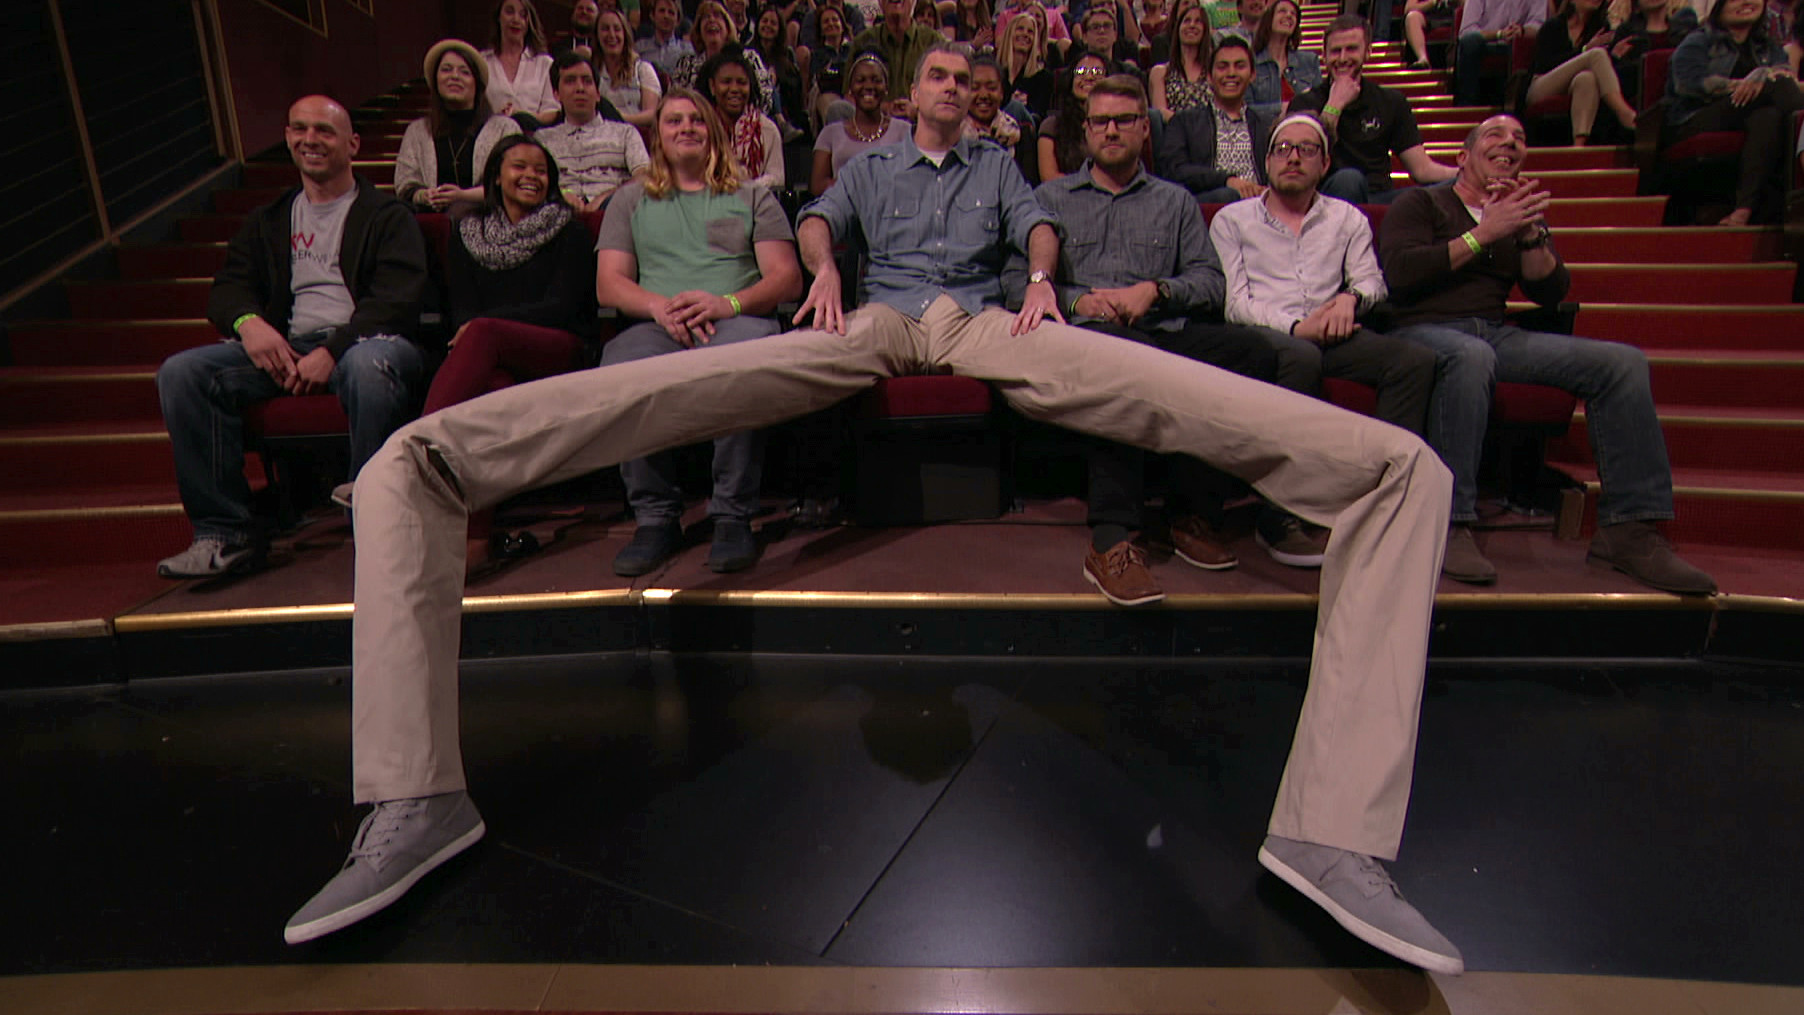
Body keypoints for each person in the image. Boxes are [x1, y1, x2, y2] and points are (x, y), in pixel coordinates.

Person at [284, 43, 1463, 979]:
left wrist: (1041, 278)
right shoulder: (869, 169)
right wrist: (822, 264)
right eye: (936, 75)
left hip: (993, 324)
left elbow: (1037, 225)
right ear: (909, 94)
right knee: (404, 463)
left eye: (963, 75)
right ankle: (414, 797)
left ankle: (1331, 833)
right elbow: (816, 221)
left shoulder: (1000, 165)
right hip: (870, 322)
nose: (952, 86)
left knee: (1402, 469)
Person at [1378, 114, 1716, 591]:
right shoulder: (1422, 202)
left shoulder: (1516, 215)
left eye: (1519, 138)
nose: (1509, 143)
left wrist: (1529, 234)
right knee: (1471, 356)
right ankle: (1451, 521)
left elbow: (1550, 290)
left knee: (1622, 363)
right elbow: (1401, 272)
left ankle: (1629, 531)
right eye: (1495, 135)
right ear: (1463, 157)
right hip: (1420, 330)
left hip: (1495, 332)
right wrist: (1485, 232)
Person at [155, 96, 427, 578]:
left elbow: (396, 300)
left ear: (353, 144)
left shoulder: (386, 215)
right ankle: (224, 534)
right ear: (286, 138)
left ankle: (373, 518)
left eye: (324, 130)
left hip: (369, 342)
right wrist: (249, 324)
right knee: (183, 373)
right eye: (299, 129)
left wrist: (333, 349)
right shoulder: (269, 220)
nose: (309, 140)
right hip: (289, 347)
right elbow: (228, 290)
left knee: (368, 366)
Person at [1036, 74, 1282, 603]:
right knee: (1124, 361)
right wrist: (1079, 301)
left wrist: (1156, 290)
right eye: (1101, 121)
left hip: (1161, 330)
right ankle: (1112, 538)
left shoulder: (1175, 201)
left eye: (1124, 120)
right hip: (1085, 340)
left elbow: (1210, 282)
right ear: (1086, 130)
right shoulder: (1050, 199)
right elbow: (1019, 280)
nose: (1111, 130)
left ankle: (1190, 514)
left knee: (1254, 353)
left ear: (1144, 129)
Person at [594, 89, 805, 576]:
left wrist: (726, 303)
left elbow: (786, 278)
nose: (686, 128)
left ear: (713, 132)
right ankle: (655, 518)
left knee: (742, 363)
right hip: (657, 324)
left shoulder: (752, 195)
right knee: (620, 367)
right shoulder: (630, 199)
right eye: (674, 121)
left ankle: (732, 515)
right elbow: (610, 283)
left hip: (737, 320)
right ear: (658, 136)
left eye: (696, 120)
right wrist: (659, 307)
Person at [1211, 113, 1436, 567]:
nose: (1293, 158)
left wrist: (1351, 299)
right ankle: (1278, 516)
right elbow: (1235, 304)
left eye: (1307, 149)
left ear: (1326, 163)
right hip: (1267, 336)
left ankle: (1378, 504)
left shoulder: (1346, 217)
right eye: (1282, 149)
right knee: (1300, 357)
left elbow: (1372, 281)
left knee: (1414, 360)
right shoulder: (1232, 220)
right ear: (1267, 161)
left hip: (1333, 332)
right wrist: (1297, 328)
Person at [420, 135, 599, 560]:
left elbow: (562, 307)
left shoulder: (569, 230)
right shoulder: (467, 234)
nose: (531, 176)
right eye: (519, 167)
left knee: (483, 333)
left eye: (541, 170)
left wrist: (492, 326)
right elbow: (462, 310)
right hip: (491, 358)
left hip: (559, 349)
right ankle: (475, 541)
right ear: (496, 177)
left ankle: (417, 451)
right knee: (490, 396)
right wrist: (485, 329)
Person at [1289, 15, 1457, 204]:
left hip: (1379, 198)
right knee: (1349, 179)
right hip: (1327, 199)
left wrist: (1463, 175)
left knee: (1443, 192)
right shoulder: (1304, 103)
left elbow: (1422, 170)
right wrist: (1334, 105)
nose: (1342, 58)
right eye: (1336, 51)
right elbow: (1304, 162)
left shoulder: (1391, 101)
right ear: (1324, 55)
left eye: (1351, 49)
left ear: (1368, 52)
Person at [1665, 0, 1802, 225]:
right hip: (1698, 117)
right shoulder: (1699, 40)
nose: (1747, 2)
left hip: (1748, 118)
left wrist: (1761, 78)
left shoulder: (1767, 45)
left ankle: (1743, 210)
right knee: (1777, 84)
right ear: (1717, 7)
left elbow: (1785, 73)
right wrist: (1743, 85)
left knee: (1767, 117)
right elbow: (1688, 83)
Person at [394, 39, 523, 212]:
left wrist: (463, 196)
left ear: (477, 83)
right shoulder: (417, 131)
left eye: (465, 72)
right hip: (430, 217)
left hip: (489, 215)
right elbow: (404, 183)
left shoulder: (504, 128)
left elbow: (512, 182)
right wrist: (425, 195)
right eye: (446, 70)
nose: (454, 76)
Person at [534, 52, 652, 213]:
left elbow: (645, 176)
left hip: (613, 210)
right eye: (570, 81)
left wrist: (606, 197)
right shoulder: (543, 139)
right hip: (557, 211)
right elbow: (534, 181)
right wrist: (562, 194)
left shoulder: (625, 133)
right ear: (556, 94)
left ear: (597, 94)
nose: (580, 88)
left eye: (587, 81)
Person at [1158, 37, 1273, 201]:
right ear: (1209, 76)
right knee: (1228, 195)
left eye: (1240, 66)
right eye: (1222, 67)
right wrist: (1226, 181)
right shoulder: (1184, 122)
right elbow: (1173, 169)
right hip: (1211, 203)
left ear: (1252, 75)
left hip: (1259, 205)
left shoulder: (1266, 125)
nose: (1231, 73)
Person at [1525, 0, 1641, 145]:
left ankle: (1579, 146)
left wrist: (1614, 56)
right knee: (1596, 54)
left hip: (1576, 85)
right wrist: (1584, 50)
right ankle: (1623, 111)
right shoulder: (1553, 26)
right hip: (1542, 85)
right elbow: (1545, 64)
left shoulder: (1601, 29)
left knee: (1587, 78)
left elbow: (1604, 70)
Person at [813, 53, 912, 191]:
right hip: (843, 202)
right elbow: (817, 186)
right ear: (850, 89)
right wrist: (858, 185)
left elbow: (915, 180)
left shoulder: (904, 131)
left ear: (886, 88)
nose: (869, 86)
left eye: (876, 80)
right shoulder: (830, 133)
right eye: (860, 80)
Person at [701, 48, 786, 188]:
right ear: (712, 87)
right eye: (726, 82)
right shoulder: (700, 128)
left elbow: (777, 179)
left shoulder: (768, 130)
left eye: (741, 82)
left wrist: (744, 188)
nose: (734, 89)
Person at [482, 0, 563, 124]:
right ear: (498, 17)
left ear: (529, 22)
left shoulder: (545, 64)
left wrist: (522, 117)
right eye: (509, 12)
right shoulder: (483, 62)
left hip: (534, 133)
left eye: (523, 15)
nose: (516, 19)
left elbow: (552, 111)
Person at [1453, 0, 1548, 105]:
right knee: (1470, 42)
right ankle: (1467, 104)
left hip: (1515, 44)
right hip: (1486, 43)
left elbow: (1538, 25)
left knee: (1529, 48)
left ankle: (1515, 105)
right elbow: (1466, 31)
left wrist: (1522, 31)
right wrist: (1499, 34)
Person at [852, 0, 948, 103]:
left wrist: (917, 108)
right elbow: (850, 96)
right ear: (880, 2)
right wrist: (883, 107)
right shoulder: (862, 42)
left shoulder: (935, 43)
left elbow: (945, 91)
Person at [1039, 52, 1116, 179]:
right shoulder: (1052, 126)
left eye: (1097, 72)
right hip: (1066, 191)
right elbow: (1049, 177)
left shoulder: (1117, 125)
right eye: (1081, 71)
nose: (1089, 77)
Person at [1610, 0, 1699, 104]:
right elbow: (1618, 80)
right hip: (1639, 102)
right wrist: (1615, 58)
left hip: (1680, 99)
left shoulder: (1683, 29)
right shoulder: (1627, 32)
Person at [593, 6, 663, 128]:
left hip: (635, 133)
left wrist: (617, 118)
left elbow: (651, 115)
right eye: (605, 29)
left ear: (625, 34)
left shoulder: (643, 69)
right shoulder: (590, 71)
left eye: (617, 29)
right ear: (597, 35)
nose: (611, 35)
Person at [1249, 0, 1321, 116]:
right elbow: (1246, 110)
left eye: (1293, 14)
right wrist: (1287, 108)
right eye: (1282, 11)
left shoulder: (1310, 61)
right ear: (1269, 19)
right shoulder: (1250, 62)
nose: (1289, 15)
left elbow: (1319, 104)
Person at [1149, 0, 1214, 114]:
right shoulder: (1160, 73)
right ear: (1178, 28)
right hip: (1172, 124)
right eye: (1186, 21)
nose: (1192, 25)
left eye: (1198, 21)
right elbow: (1160, 113)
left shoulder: (1214, 73)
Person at [999, 1, 1058, 117]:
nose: (1025, 34)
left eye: (1030, 32)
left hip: (1027, 125)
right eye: (1020, 29)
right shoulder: (997, 75)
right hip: (995, 125)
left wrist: (1026, 106)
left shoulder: (1044, 78)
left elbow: (1040, 115)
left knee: (1016, 107)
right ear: (1009, 34)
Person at [965, 54, 1028, 147]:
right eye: (975, 87)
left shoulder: (1020, 135)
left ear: (1001, 92)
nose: (983, 95)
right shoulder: (951, 134)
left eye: (991, 87)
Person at [635, 0, 696, 74]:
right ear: (652, 16)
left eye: (671, 12)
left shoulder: (687, 50)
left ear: (678, 21)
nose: (666, 16)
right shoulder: (639, 48)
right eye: (662, 11)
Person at [1402, 0, 1459, 69]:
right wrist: (1432, 3)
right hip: (1428, 17)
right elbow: (1409, 8)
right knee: (1412, 17)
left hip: (1453, 16)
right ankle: (1423, 59)